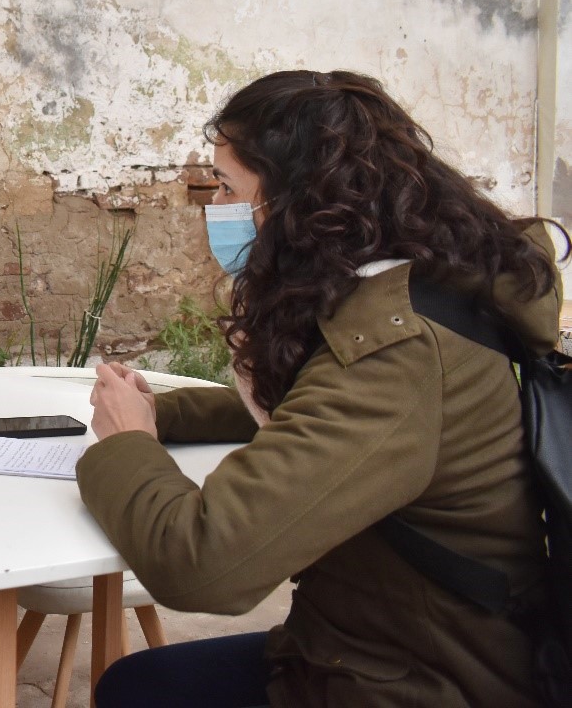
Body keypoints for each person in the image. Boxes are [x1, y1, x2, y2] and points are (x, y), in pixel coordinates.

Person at [76, 70, 562, 707]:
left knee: (139, 692)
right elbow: (326, 408)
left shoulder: (400, 353)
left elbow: (202, 564)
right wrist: (163, 414)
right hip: (363, 648)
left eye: (227, 186)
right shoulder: (426, 290)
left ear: (298, 201)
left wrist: (127, 443)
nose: (216, 206)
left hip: (421, 682)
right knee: (139, 684)